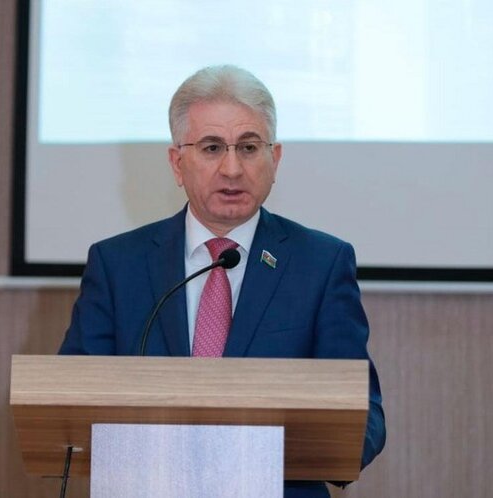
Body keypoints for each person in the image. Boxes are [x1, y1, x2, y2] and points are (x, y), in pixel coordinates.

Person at [59, 65, 385, 497]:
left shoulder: (321, 263)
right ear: (177, 163)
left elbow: (364, 417)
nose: (232, 168)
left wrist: (296, 442)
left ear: (275, 159)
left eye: (249, 147)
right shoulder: (118, 264)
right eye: (212, 148)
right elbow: (70, 404)